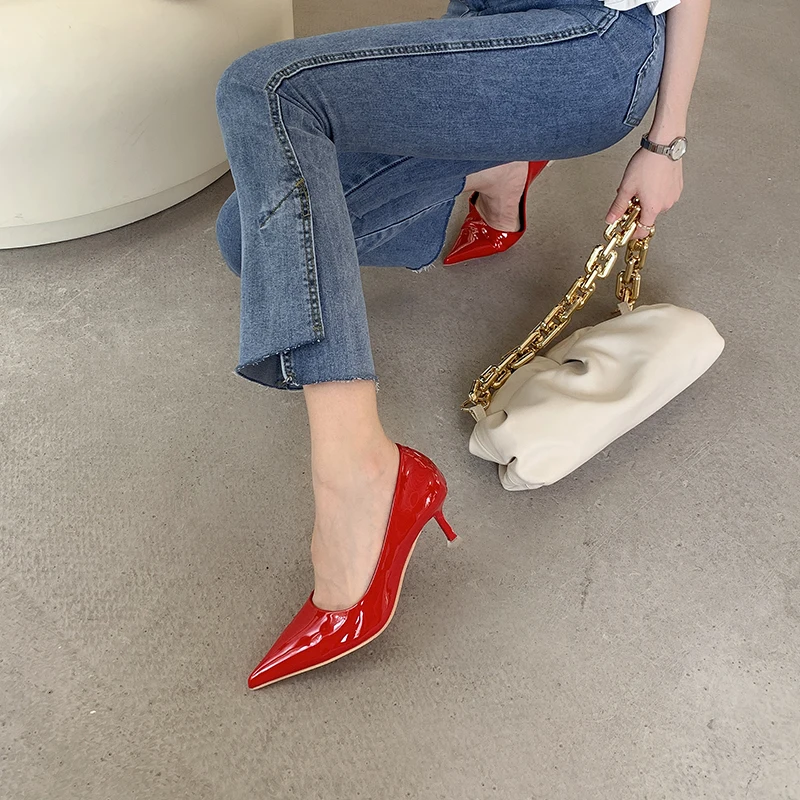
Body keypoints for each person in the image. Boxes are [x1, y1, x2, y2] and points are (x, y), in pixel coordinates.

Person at [214, 0, 711, 689]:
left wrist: (666, 144)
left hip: (590, 45)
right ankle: (499, 167)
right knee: (248, 239)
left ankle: (358, 474)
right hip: (483, 17)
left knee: (267, 88)